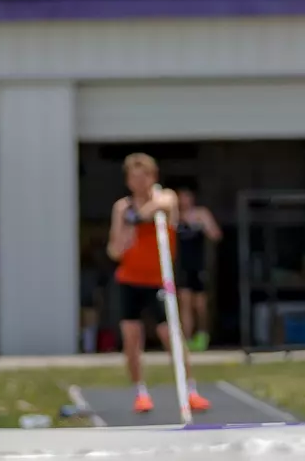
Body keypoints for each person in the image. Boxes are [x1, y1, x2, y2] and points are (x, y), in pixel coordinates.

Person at [108, 154, 210, 415]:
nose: (138, 183)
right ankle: (140, 393)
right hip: (130, 280)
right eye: (133, 178)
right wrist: (125, 236)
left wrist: (140, 215)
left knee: (170, 336)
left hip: (158, 281)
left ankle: (191, 390)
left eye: (143, 177)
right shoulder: (122, 207)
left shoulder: (166, 198)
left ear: (152, 177)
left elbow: (161, 207)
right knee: (132, 338)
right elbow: (114, 250)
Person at [175, 188, 222, 353]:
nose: (183, 200)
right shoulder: (173, 216)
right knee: (185, 303)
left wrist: (202, 225)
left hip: (199, 266)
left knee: (200, 305)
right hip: (182, 266)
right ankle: (186, 340)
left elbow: (216, 235)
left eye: (186, 196)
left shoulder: (201, 214)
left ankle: (202, 335)